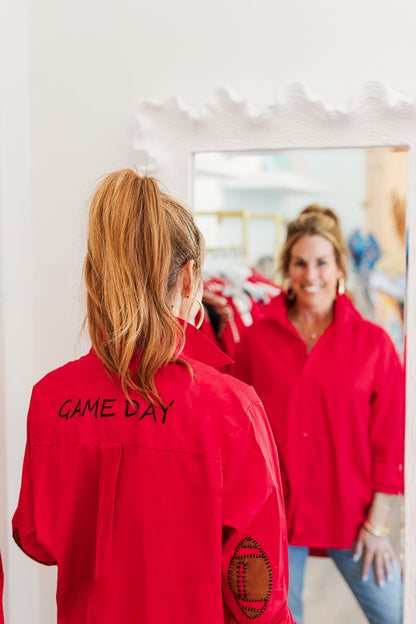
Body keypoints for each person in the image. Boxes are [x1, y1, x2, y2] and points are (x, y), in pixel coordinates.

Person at [12, 169, 294, 624]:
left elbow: (35, 539)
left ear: (95, 278)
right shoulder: (232, 409)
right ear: (188, 281)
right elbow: (259, 600)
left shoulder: (50, 398)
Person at [232, 205, 404, 624]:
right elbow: (236, 426)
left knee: (397, 613)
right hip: (276, 516)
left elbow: (390, 438)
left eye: (322, 263)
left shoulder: (374, 344)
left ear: (339, 266)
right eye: (300, 263)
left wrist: (379, 523)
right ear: (286, 266)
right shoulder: (255, 339)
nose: (311, 276)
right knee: (277, 619)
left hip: (354, 513)